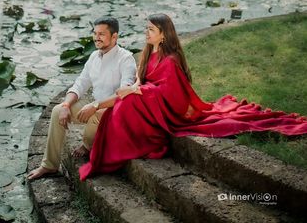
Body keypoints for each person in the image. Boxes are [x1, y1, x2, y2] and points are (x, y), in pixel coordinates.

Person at [79, 13, 307, 180]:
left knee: (128, 103)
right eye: (146, 28)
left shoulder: (171, 59)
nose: (146, 32)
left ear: (162, 35)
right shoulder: (149, 51)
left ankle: (135, 145)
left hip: (167, 106)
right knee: (124, 102)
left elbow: (171, 93)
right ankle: (113, 150)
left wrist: (137, 91)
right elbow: (142, 78)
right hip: (149, 100)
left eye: (150, 30)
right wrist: (135, 86)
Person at [27, 16, 136, 180]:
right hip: (94, 105)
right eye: (95, 33)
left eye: (102, 34)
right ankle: (49, 165)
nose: (96, 37)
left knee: (99, 113)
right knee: (57, 111)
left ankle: (87, 145)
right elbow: (80, 84)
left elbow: (125, 93)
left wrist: (96, 105)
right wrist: (65, 105)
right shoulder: (93, 56)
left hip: (114, 111)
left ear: (115, 37)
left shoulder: (126, 58)